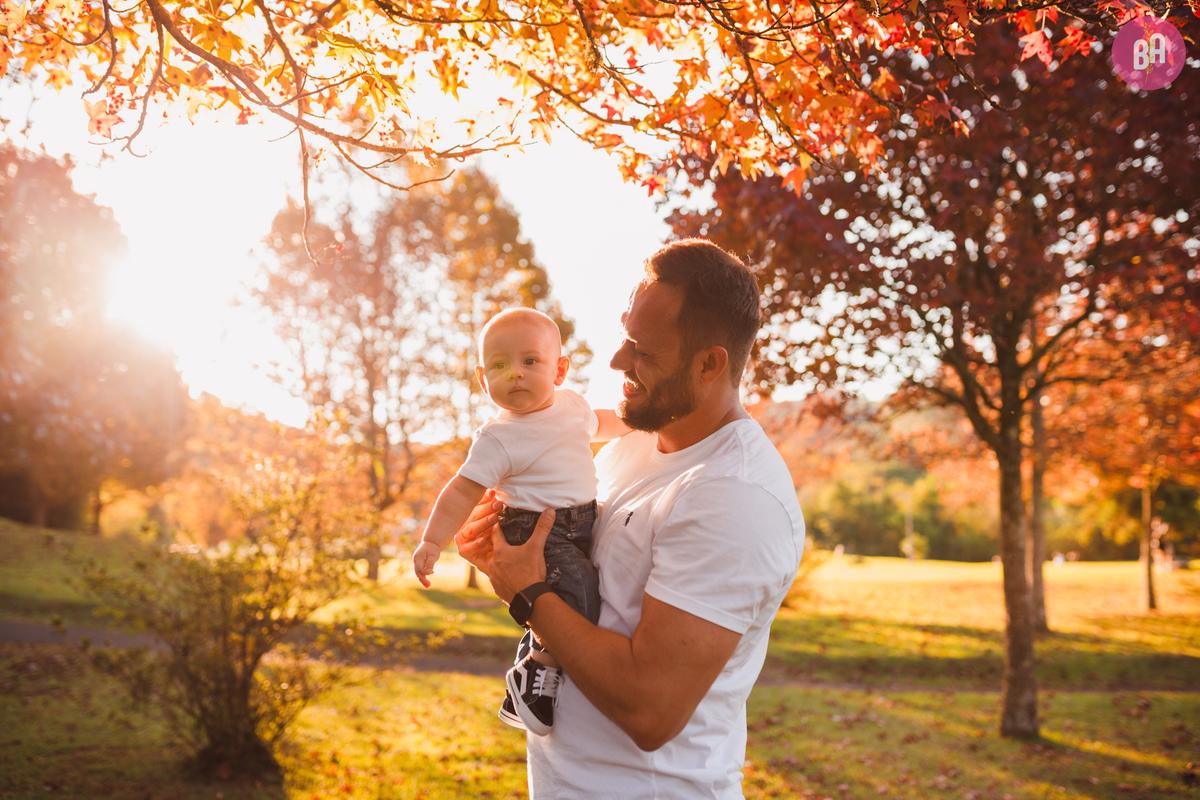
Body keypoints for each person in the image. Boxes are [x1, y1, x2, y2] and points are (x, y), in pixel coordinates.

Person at [455, 239, 806, 799]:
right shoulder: (629, 447)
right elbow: (587, 607)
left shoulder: (734, 496)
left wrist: (525, 592)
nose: (617, 360)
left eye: (642, 349)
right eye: (624, 334)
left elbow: (650, 709)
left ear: (710, 363)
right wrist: (510, 551)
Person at [412, 306, 629, 735]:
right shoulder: (498, 437)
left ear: (559, 370)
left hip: (581, 522)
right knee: (581, 598)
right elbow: (461, 490)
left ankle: (528, 676)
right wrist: (432, 541)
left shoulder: (571, 406)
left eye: (530, 361)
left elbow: (600, 424)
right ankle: (533, 675)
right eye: (499, 365)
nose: (515, 373)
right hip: (534, 529)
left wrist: (640, 421)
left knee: (570, 593)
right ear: (482, 379)